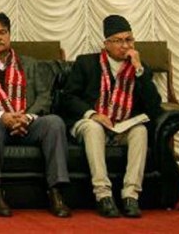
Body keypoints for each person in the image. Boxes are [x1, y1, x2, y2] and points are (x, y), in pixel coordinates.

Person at [0, 11, 71, 218]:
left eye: (2, 32)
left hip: (28, 123)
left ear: (9, 35)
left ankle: (56, 192)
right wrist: (2, 116)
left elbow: (44, 97)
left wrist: (26, 117)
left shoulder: (30, 64)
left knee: (54, 122)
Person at [59, 15, 161, 219]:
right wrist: (94, 114)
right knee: (93, 127)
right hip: (89, 123)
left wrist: (139, 70)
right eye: (118, 41)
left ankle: (130, 195)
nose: (125, 46)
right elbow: (68, 98)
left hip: (122, 127)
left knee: (140, 130)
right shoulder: (86, 63)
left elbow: (153, 105)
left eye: (129, 40)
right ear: (106, 44)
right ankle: (103, 194)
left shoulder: (140, 68)